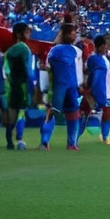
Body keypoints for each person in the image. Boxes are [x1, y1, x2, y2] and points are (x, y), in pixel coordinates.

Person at [41, 23, 83, 151]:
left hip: (72, 86)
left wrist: (80, 84)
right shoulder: (55, 50)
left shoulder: (76, 50)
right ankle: (44, 142)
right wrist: (45, 88)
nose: (74, 35)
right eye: (72, 33)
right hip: (59, 85)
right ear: (64, 34)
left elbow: (78, 69)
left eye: (75, 33)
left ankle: (71, 143)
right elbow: (47, 69)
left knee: (74, 113)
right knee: (52, 111)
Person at [2, 22, 37, 150]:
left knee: (12, 113)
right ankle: (20, 140)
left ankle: (9, 142)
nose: (29, 33)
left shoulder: (10, 51)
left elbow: (6, 68)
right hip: (22, 85)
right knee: (21, 113)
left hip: (12, 85)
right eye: (27, 31)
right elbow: (28, 70)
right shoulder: (24, 49)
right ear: (19, 34)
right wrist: (32, 85)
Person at [85, 34, 110, 144]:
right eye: (105, 45)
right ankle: (104, 136)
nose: (107, 47)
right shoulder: (94, 58)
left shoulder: (108, 57)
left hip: (109, 89)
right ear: (99, 47)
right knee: (107, 113)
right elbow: (92, 74)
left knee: (108, 114)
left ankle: (104, 135)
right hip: (102, 89)